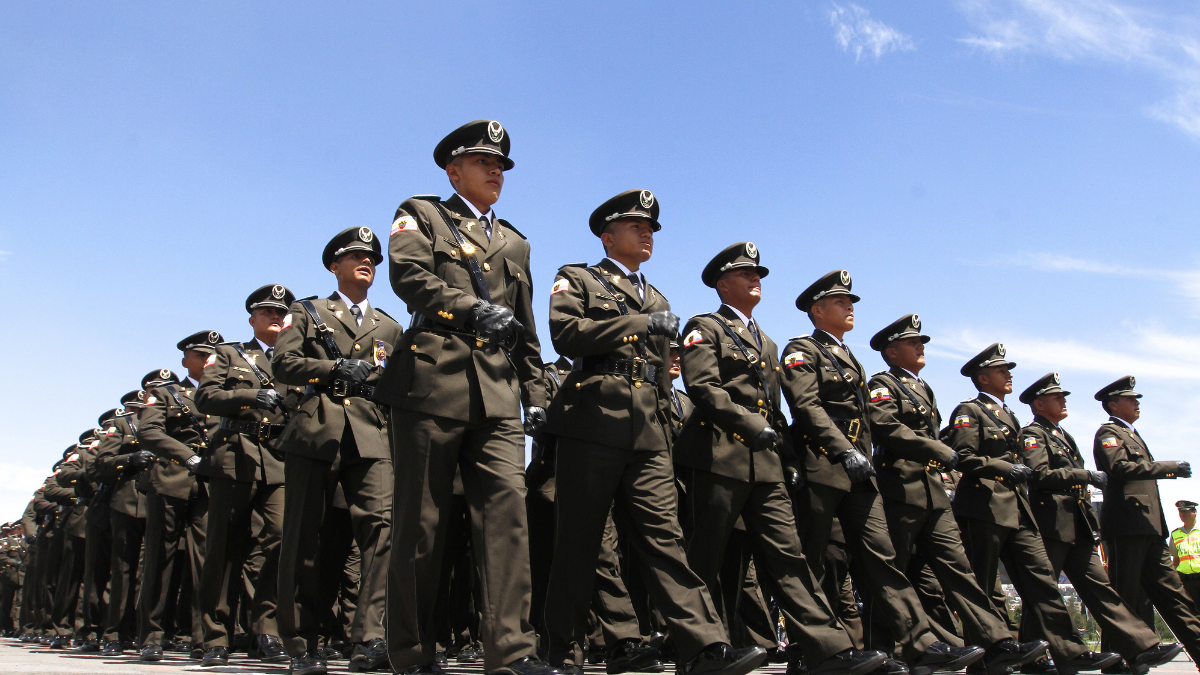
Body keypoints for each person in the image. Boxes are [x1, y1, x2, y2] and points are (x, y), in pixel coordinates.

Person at [543, 190, 770, 675]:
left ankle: (702, 647)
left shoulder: (658, 296)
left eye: (651, 228)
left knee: (664, 538)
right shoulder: (579, 278)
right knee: (580, 542)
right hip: (592, 421)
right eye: (635, 225)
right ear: (608, 235)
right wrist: (639, 322)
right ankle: (563, 652)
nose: (647, 233)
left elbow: (665, 379)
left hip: (648, 431)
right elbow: (565, 334)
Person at [378, 119, 556, 675]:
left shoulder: (516, 242)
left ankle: (511, 652)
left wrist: (537, 394)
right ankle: (411, 652)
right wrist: (470, 307)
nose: (495, 172)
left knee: (508, 520)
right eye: (484, 163)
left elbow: (524, 327)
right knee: (421, 524)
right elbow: (407, 276)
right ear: (453, 169)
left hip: (499, 393)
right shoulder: (423, 214)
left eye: (501, 165)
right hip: (434, 380)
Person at [677, 243, 885, 675]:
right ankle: (698, 650)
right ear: (722, 283)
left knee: (788, 556)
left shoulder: (767, 342)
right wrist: (751, 427)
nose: (756, 279)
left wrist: (788, 457)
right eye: (745, 273)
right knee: (707, 557)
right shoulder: (704, 326)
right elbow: (703, 387)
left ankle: (826, 650)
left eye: (759, 274)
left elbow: (776, 410)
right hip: (718, 455)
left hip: (765, 463)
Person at [780, 270, 983, 675]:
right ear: (817, 311)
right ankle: (811, 651)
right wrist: (842, 450)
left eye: (850, 301)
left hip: (860, 472)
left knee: (882, 557)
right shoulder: (801, 350)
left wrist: (861, 457)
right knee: (817, 562)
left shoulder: (849, 358)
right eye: (841, 302)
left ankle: (920, 644)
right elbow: (806, 407)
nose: (850, 306)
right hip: (823, 465)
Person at [865, 315, 1047, 673]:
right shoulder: (882, 384)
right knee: (894, 572)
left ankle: (995, 643)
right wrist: (936, 451)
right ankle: (882, 650)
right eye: (912, 342)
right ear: (891, 352)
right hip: (900, 486)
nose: (921, 346)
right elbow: (884, 426)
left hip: (932, 490)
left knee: (958, 569)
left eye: (922, 341)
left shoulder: (924, 387)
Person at [943, 344, 1118, 675]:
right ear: (983, 378)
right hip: (983, 505)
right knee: (983, 586)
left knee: (1042, 581)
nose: (1009, 375)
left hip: (1018, 510)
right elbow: (962, 456)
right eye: (1001, 370)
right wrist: (1004, 469)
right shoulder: (969, 411)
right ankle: (987, 660)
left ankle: (1070, 651)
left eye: (1008, 370)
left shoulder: (1010, 416)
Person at [274, 232, 401, 675]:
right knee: (304, 535)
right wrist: (331, 367)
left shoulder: (390, 326)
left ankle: (370, 636)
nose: (366, 261)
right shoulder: (307, 312)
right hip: (318, 427)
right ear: (335, 266)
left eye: (371, 257)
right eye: (355, 256)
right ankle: (302, 642)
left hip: (372, 433)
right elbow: (283, 364)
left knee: (381, 532)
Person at [1016, 373, 1179, 674]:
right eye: (1057, 397)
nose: (1064, 400)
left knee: (1102, 589)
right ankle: (1033, 655)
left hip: (1078, 524)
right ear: (1039, 404)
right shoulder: (1032, 435)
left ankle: (1140, 647)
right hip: (1051, 524)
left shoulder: (1063, 435)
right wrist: (1085, 476)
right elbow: (1038, 473)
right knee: (1042, 591)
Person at [195, 285, 300, 667]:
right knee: (224, 547)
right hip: (234, 455)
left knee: (279, 542)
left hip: (279, 459)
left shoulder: (295, 358)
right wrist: (248, 398)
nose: (275, 317)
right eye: (267, 312)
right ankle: (216, 635)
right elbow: (204, 397)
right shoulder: (229, 354)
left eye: (280, 313)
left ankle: (266, 629)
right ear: (252, 318)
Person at [1092, 376, 1200, 667]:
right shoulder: (1108, 433)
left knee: (1173, 594)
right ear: (1113, 404)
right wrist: (1169, 468)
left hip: (1150, 528)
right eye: (1130, 399)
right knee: (1125, 597)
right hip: (1127, 528)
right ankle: (1118, 663)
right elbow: (1119, 467)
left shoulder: (1133, 434)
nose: (1136, 403)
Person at [136, 334, 224, 661]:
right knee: (160, 559)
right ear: (186, 360)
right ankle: (152, 636)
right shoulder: (165, 393)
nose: (207, 361)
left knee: (205, 561)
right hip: (171, 480)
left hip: (209, 484)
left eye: (212, 356)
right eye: (200, 356)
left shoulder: (223, 395)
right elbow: (149, 432)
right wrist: (188, 457)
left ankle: (203, 639)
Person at [89, 388, 152, 654]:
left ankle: (142, 633)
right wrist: (128, 459)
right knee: (123, 572)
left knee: (148, 573)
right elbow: (100, 465)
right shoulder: (119, 425)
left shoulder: (165, 421)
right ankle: (114, 633)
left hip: (158, 499)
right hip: (127, 502)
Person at [1171, 500, 1200, 612]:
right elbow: (1175, 559)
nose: (1183, 515)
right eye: (1180, 512)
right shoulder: (1175, 534)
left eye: (1186, 512)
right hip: (1186, 582)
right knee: (1193, 613)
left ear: (1194, 512)